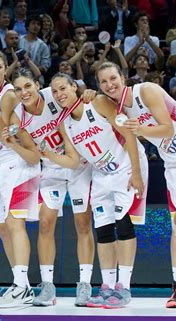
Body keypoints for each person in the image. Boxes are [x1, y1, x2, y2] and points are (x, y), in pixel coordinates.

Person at [49, 72, 148, 309]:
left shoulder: (97, 102)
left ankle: (123, 288)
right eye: (54, 92)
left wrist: (136, 172)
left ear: (75, 87)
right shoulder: (63, 122)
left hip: (125, 165)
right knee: (103, 229)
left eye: (63, 88)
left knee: (123, 224)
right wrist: (47, 154)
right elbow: (73, 162)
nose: (60, 94)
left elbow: (128, 135)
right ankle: (107, 287)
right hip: (101, 173)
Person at [95, 62, 176, 308]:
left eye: (113, 78)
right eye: (103, 82)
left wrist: (140, 129)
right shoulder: (118, 109)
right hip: (172, 164)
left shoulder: (147, 90)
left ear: (123, 77)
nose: (110, 85)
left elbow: (168, 128)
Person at [10, 68, 95, 307]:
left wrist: (89, 92)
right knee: (46, 222)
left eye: (27, 86)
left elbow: (79, 92)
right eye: (18, 89)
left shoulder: (54, 94)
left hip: (79, 164)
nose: (24, 92)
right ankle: (47, 286)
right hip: (51, 167)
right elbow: (34, 155)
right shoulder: (18, 117)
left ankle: (85, 283)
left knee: (83, 223)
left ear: (37, 85)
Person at [0, 51, 41, 308]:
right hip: (4, 165)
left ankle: (22, 286)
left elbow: (8, 132)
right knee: (3, 226)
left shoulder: (7, 95)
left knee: (14, 224)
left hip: (18, 164)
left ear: (5, 68)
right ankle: (20, 282)